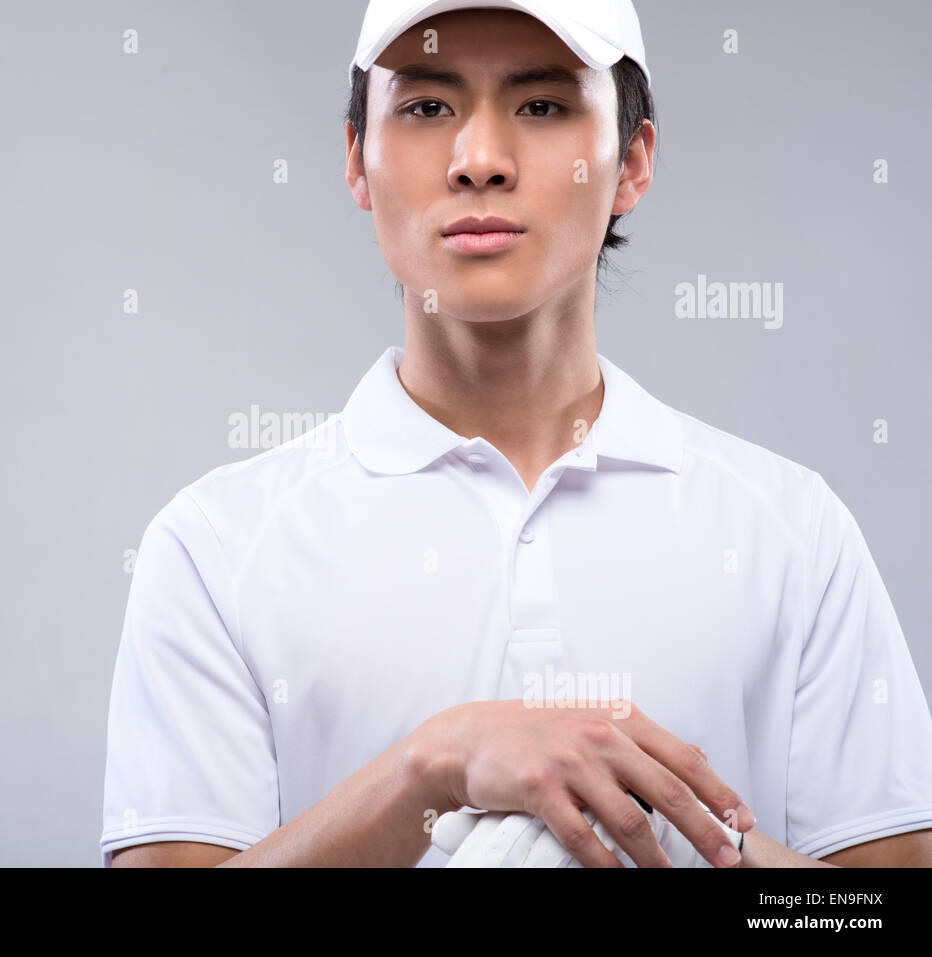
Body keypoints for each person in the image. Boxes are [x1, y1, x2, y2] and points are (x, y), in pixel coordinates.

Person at [99, 0, 932, 867]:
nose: (480, 162)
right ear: (357, 161)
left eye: (541, 106)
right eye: (426, 108)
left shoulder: (795, 533)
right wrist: (438, 763)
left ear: (631, 162)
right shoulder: (213, 548)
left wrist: (679, 834)